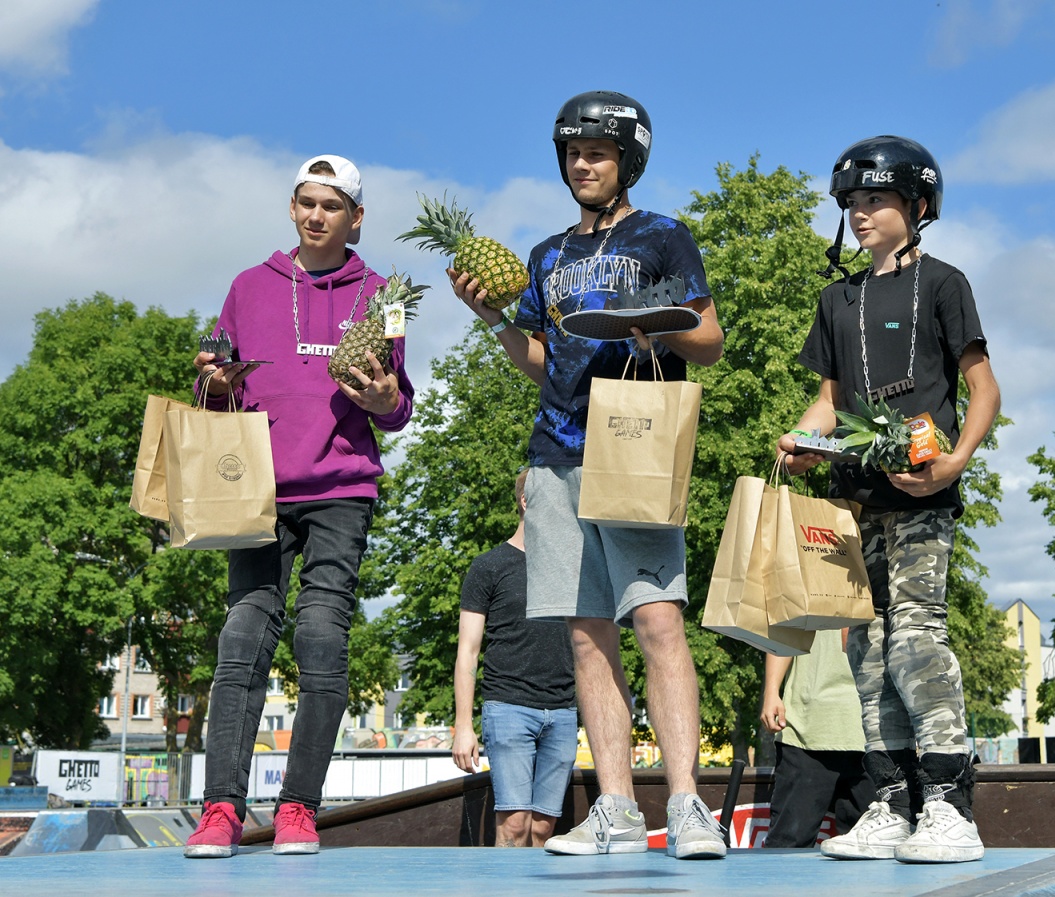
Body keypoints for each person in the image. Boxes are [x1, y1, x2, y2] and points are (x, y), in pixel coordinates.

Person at [448, 90, 727, 860]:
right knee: (585, 635)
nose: (581, 164)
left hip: (634, 446)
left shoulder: (663, 236)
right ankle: (615, 806)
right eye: (572, 152)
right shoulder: (547, 256)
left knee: (659, 621)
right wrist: (494, 319)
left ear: (628, 159)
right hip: (555, 455)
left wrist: (655, 325)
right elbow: (545, 364)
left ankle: (687, 804)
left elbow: (708, 339)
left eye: (597, 153)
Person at [777, 136, 1001, 864]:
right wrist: (801, 441)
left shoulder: (945, 283)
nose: (860, 212)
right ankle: (890, 804)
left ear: (919, 206)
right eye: (852, 202)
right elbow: (829, 400)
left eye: (875, 199)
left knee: (915, 636)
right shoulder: (835, 298)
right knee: (865, 651)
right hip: (853, 504)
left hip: (922, 493)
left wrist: (956, 461)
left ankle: (949, 805)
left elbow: (983, 387)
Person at [183, 155, 415, 859]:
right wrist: (213, 383)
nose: (317, 215)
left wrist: (386, 401)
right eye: (306, 202)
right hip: (257, 487)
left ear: (356, 218)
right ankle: (221, 808)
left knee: (321, 635)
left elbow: (398, 404)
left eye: (331, 205)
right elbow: (213, 393)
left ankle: (298, 808)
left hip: (343, 487)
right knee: (242, 638)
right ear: (292, 208)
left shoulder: (384, 296)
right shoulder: (248, 286)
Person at [452, 468, 578, 847]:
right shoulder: (488, 566)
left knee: (542, 829)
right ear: (525, 501)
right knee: (514, 825)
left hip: (563, 711)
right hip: (508, 709)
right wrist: (463, 726)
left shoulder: (570, 566)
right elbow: (467, 651)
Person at [759, 629, 874, 848]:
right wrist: (771, 691)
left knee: (877, 852)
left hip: (877, 730)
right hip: (806, 727)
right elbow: (786, 627)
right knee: (786, 850)